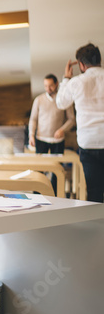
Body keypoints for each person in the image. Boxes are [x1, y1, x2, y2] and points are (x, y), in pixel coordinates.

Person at [56, 43, 104, 202]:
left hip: (88, 143)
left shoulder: (76, 82)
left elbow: (61, 103)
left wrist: (66, 78)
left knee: (94, 190)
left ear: (81, 65)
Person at [28, 74, 75, 154]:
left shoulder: (64, 100)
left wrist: (62, 130)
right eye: (45, 86)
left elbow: (72, 119)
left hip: (58, 141)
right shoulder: (38, 100)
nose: (48, 88)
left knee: (58, 165)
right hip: (41, 139)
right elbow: (33, 119)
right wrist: (31, 135)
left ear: (56, 84)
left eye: (51, 86)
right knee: (41, 165)